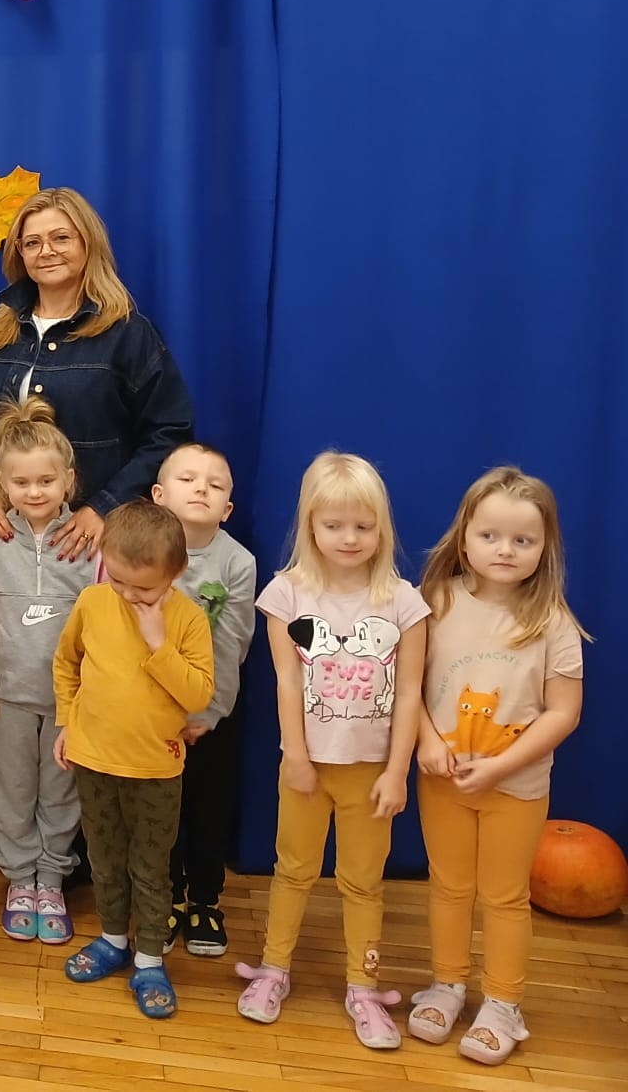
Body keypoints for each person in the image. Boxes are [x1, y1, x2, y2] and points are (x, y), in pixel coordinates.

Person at [0, 187, 192, 864]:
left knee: (75, 701)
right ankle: (17, 858)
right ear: (17, 253)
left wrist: (103, 506)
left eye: (60, 238)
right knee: (10, 724)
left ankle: (61, 861)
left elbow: (167, 431)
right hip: (5, 543)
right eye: (32, 241)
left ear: (87, 245)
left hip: (86, 543)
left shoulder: (127, 333)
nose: (46, 251)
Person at [234, 452, 428, 1050]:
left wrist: (397, 771)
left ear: (381, 528)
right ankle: (274, 969)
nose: (349, 538)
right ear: (311, 525)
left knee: (363, 882)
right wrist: (295, 754)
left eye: (363, 526)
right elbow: (287, 681)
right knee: (292, 869)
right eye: (335, 525)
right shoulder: (286, 594)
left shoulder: (404, 602)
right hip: (307, 766)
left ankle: (362, 986)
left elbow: (411, 692)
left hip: (371, 772)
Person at [409, 468, 587, 1066]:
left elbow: (563, 713)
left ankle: (504, 1003)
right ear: (464, 538)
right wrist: (426, 741)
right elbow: (408, 687)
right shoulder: (435, 602)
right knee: (449, 886)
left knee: (505, 896)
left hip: (516, 787)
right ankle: (447, 984)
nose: (505, 550)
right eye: (490, 536)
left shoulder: (553, 623)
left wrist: (500, 766)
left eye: (522, 540)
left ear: (544, 547)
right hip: (443, 781)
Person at [54, 501, 214, 1019]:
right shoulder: (92, 601)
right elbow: (67, 663)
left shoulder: (188, 619)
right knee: (103, 861)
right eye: (118, 579)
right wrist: (67, 721)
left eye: (143, 588)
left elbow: (197, 694)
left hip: (155, 769)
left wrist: (159, 644)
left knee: (149, 868)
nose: (127, 594)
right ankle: (112, 940)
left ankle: (148, 960)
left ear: (176, 572)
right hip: (93, 760)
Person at [0, 396, 99, 944]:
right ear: (1, 482)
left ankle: (52, 880)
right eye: (21, 482)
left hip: (70, 702)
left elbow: (105, 625)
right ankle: (20, 879)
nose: (35, 492)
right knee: (10, 791)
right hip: (5, 698)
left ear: (68, 481)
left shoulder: (89, 544)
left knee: (63, 793)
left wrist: (90, 696)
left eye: (46, 481)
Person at [151, 444, 258, 957]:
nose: (201, 489)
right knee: (160, 813)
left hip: (210, 715)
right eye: (188, 479)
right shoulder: (140, 550)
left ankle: (205, 901)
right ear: (159, 495)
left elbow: (234, 643)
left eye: (214, 485)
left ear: (227, 508)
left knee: (208, 808)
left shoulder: (237, 562)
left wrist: (209, 712)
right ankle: (167, 897)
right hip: (150, 713)